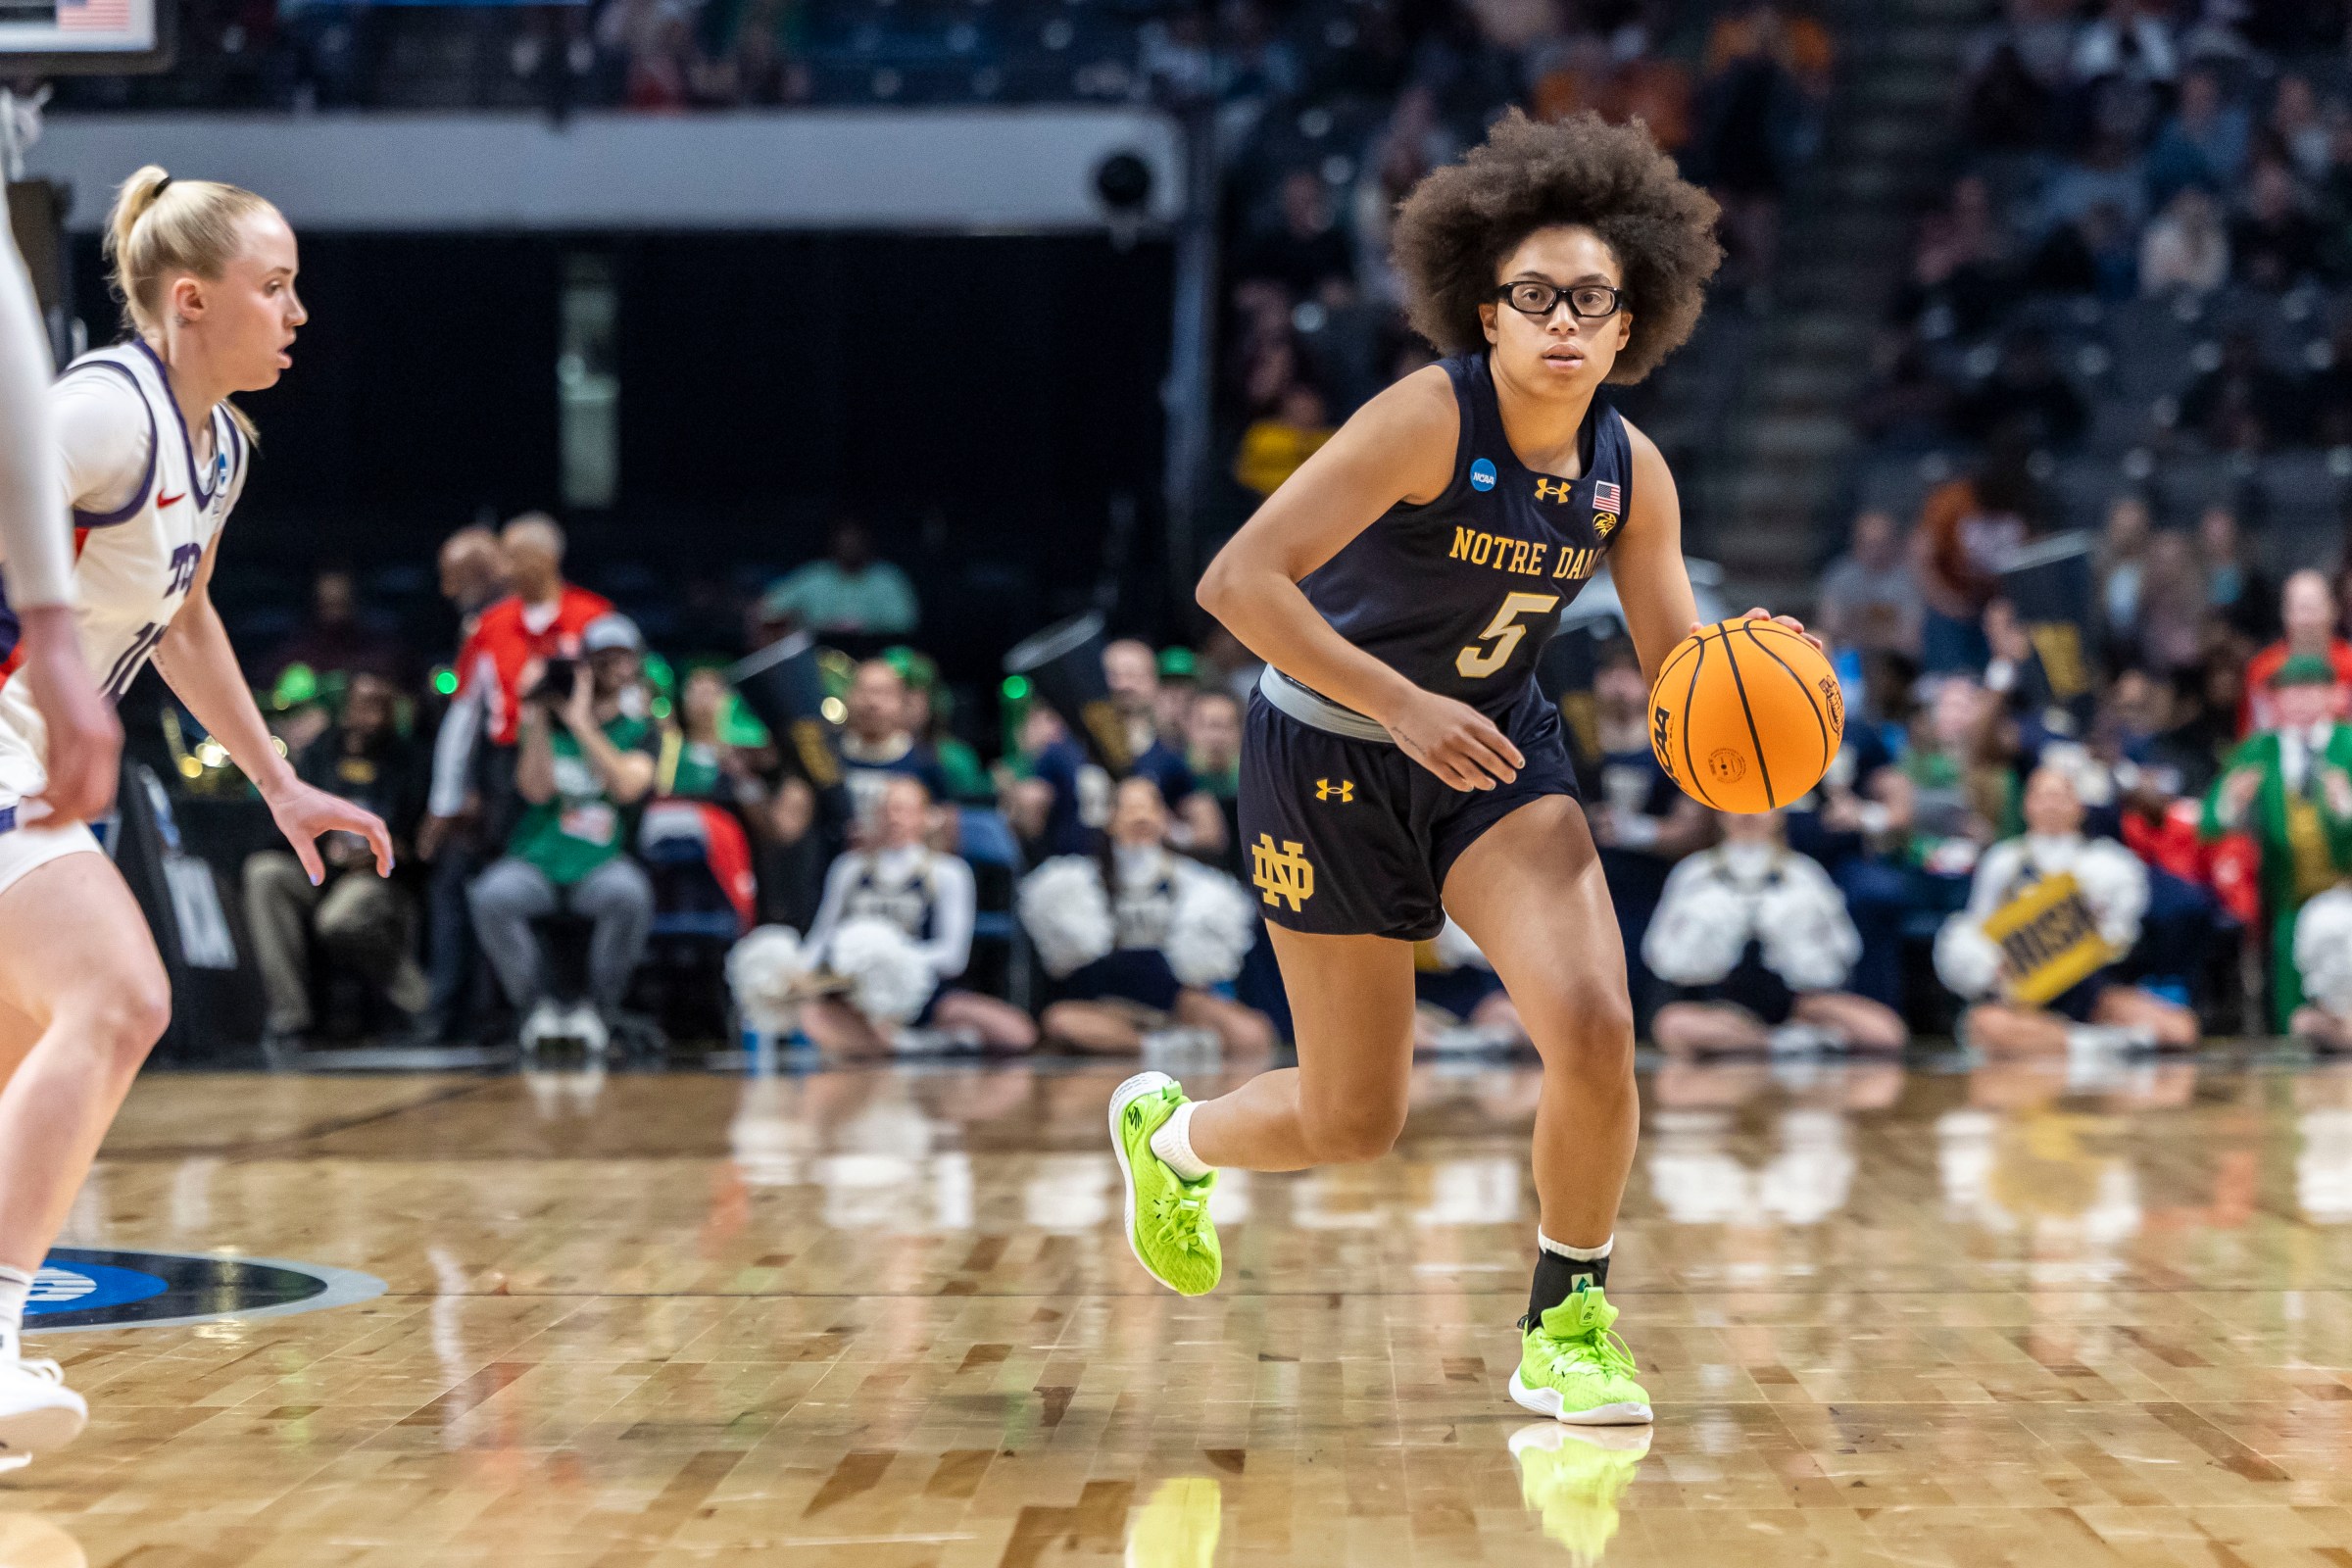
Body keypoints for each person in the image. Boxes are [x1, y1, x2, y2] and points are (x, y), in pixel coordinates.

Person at [1108, 111, 1758, 1428]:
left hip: (1493, 756)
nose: (1564, 319)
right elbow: (1237, 583)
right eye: (1536, 295)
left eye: (1593, 298)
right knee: (1354, 1121)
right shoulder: (1425, 419)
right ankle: (1171, 1140)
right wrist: (1400, 703)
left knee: (1593, 1026)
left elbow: (1685, 673)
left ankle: (1567, 1322)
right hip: (1328, 748)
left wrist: (1755, 699)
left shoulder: (1632, 475)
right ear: (1488, 313)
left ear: (1632, 326)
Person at [0, 167, 394, 1460]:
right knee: (121, 997)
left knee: (29, 1057)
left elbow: (187, 621)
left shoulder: (216, 443)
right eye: (273, 286)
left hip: (37, 765)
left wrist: (275, 774)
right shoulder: (101, 411)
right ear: (189, 299)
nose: (297, 313)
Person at [466, 612, 659, 1054]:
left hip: (598, 863)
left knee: (629, 895)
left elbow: (628, 786)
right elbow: (536, 790)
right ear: (584, 665)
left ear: (635, 664)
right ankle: (536, 1009)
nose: (613, 667)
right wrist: (536, 713)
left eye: (622, 658)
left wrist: (581, 723)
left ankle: (600, 1011)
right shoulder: (546, 726)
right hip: (538, 859)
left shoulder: (639, 730)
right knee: (493, 895)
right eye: (602, 658)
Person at [1936, 764, 2197, 1054]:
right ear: (2027, 806)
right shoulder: (2003, 861)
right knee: (1985, 1026)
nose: (2051, 805)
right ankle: (2100, 1046)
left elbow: (2121, 939)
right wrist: (1990, 964)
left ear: (2079, 807)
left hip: (2090, 993)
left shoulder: (2108, 863)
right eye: (2042, 796)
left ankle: (2060, 1042)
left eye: (2060, 796)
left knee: (2179, 1028)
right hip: (2023, 1001)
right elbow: (1977, 928)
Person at [242, 672, 429, 1049]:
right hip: (323, 870)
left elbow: (422, 842)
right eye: (364, 704)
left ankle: (418, 1002)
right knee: (263, 873)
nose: (372, 716)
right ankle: (290, 1019)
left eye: (381, 705)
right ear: (346, 709)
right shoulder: (321, 752)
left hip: (380, 877)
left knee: (340, 917)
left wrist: (381, 848)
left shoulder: (411, 759)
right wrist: (324, 841)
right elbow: (286, 818)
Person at [1021, 776, 1272, 1057]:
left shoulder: (1195, 882)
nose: (1141, 817)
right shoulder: (1081, 880)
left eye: (1149, 808)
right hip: (1108, 1004)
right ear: (1110, 820)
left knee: (1253, 1033)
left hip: (1175, 1002)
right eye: (1130, 809)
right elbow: (1066, 962)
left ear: (1164, 818)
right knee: (1060, 1021)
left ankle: (1154, 1043)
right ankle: (1159, 1048)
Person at [421, 512, 612, 862]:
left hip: (581, 759)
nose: (503, 570)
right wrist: (446, 799)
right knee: (503, 867)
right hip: (506, 771)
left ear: (544, 559)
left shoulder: (595, 617)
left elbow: (624, 694)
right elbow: (463, 716)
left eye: (512, 557)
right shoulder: (488, 626)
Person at [799, 774, 1036, 1056]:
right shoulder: (849, 868)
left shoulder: (949, 872)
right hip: (858, 995)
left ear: (925, 817)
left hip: (926, 996)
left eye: (904, 810)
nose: (894, 818)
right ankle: (909, 1044)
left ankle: (900, 1043)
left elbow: (953, 958)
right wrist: (797, 976)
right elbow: (822, 937)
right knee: (809, 1017)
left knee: (1018, 1034)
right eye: (887, 809)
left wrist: (889, 960)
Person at [1642, 809, 1907, 1055]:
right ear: (1720, 814)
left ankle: (1763, 1042)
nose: (1748, 814)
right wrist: (1713, 939)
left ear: (1779, 815)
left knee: (1885, 1032)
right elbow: (1659, 956)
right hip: (1723, 1003)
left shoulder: (1805, 873)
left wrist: (1793, 944)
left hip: (1798, 1004)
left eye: (1760, 806)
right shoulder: (1694, 872)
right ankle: (1776, 1044)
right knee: (1672, 1026)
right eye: (1737, 805)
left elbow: (1844, 955)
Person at [2205, 655, 2352, 1033]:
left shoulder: (2348, 744)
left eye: (2310, 691)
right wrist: (2232, 804)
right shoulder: (2259, 751)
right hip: (2287, 900)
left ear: (2332, 695)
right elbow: (2209, 822)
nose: (2301, 702)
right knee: (2290, 1008)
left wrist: (2346, 809)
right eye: (2290, 693)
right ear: (2276, 701)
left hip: (2345, 892)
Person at [757, 516, 918, 637]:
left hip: (873, 657)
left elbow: (906, 623)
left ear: (867, 541)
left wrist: (861, 627)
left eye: (855, 539)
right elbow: (767, 609)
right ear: (834, 542)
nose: (850, 545)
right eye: (845, 539)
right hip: (819, 656)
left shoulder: (888, 579)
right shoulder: (814, 575)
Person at [2240, 570, 2352, 735]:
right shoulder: (2261, 670)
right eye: (2300, 609)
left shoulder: (2350, 663)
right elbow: (2250, 740)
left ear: (2332, 611)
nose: (2307, 620)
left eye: (2314, 609)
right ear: (2285, 614)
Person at [1815, 509, 1923, 659]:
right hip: (1848, 657)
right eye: (1867, 543)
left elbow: (1910, 637)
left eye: (1880, 543)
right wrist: (1881, 627)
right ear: (1855, 543)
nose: (1874, 551)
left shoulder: (1909, 579)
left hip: (1897, 662)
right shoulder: (1840, 576)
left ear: (1894, 543)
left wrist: (1858, 624)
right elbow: (1830, 627)